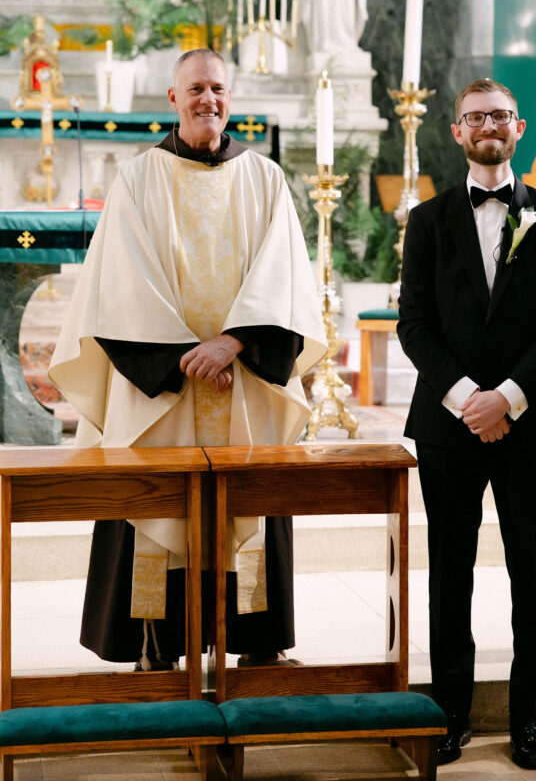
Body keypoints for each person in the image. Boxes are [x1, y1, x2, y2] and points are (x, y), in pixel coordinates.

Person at [49, 48, 326, 670]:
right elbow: (121, 281)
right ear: (172, 99)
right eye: (196, 88)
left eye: (218, 89)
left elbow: (282, 276)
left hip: (246, 377)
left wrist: (234, 343)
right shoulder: (138, 178)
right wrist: (182, 356)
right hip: (164, 386)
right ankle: (157, 647)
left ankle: (257, 644)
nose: (209, 99)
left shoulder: (265, 178)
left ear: (232, 98)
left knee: (248, 493)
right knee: (157, 498)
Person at [397, 79, 536, 770]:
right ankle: (449, 713)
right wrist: (465, 399)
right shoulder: (427, 220)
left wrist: (505, 397)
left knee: (529, 569)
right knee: (450, 571)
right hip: (448, 425)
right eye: (474, 117)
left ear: (519, 126)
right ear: (455, 131)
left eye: (499, 116)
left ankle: (526, 716)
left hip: (530, 423)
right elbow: (413, 323)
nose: (487, 127)